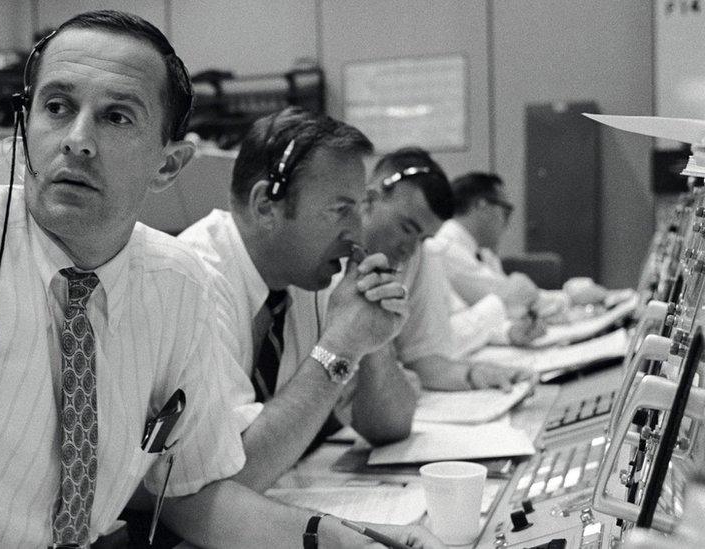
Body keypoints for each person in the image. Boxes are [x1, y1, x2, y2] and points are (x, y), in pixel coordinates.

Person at [0, 11, 444, 549]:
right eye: (57, 107)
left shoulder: (175, 286)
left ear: (169, 163)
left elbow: (191, 493)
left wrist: (328, 538)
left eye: (116, 116)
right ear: (25, 128)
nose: (76, 138)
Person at [178, 107, 415, 492]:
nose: (357, 234)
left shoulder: (311, 274)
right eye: (340, 210)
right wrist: (339, 346)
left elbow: (391, 426)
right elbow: (230, 478)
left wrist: (371, 340)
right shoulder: (193, 282)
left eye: (360, 209)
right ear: (265, 206)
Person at [351, 148, 535, 393]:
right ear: (369, 199)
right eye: (406, 228)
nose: (410, 248)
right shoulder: (325, 259)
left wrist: (474, 374)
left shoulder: (421, 254)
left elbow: (424, 360)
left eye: (423, 237)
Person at [434, 171, 610, 325]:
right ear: (482, 206)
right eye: (506, 210)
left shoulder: (481, 250)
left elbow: (518, 298)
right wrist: (570, 298)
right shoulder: (447, 248)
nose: (507, 222)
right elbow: (509, 300)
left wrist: (567, 298)